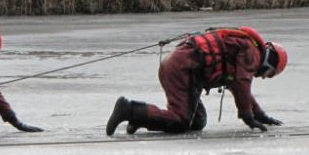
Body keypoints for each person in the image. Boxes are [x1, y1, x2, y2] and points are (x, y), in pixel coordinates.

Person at [105, 26, 286, 135]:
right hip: (184, 68)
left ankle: (143, 117)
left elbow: (240, 87)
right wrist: (247, 117)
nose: (262, 77)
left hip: (183, 68)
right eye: (268, 74)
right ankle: (129, 109)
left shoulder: (245, 48)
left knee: (197, 122)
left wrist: (260, 116)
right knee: (180, 121)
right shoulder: (252, 52)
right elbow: (241, 84)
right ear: (270, 61)